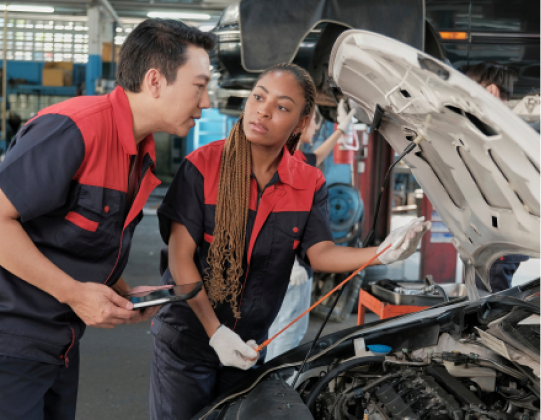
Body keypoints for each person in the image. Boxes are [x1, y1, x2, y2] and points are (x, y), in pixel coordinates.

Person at [0, 19, 215, 420]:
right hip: (2, 339)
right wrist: (75, 294)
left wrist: (120, 291)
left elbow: (74, 236)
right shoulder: (75, 129)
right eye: (200, 86)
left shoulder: (136, 151)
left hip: (57, 340)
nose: (207, 101)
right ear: (156, 81)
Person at [150, 63, 431, 420]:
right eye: (258, 97)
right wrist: (215, 332)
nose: (263, 111)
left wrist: (381, 253)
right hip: (188, 339)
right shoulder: (201, 167)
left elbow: (321, 253)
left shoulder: (308, 182)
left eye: (282, 107)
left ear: (301, 122)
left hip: (251, 346)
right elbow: (180, 259)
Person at [266, 99, 356, 360]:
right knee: (285, 332)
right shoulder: (285, 161)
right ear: (301, 123)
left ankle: (274, 386)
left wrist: (342, 129)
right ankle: (275, 392)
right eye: (315, 120)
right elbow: (270, 213)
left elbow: (317, 156)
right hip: (288, 267)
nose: (317, 126)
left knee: (288, 330)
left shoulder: (292, 156)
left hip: (294, 265)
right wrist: (290, 260)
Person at [466, 61, 529, 292]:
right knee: (482, 300)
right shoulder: (506, 129)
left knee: (489, 305)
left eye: (469, 89)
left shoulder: (500, 132)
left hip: (502, 237)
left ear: (491, 90)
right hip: (493, 235)